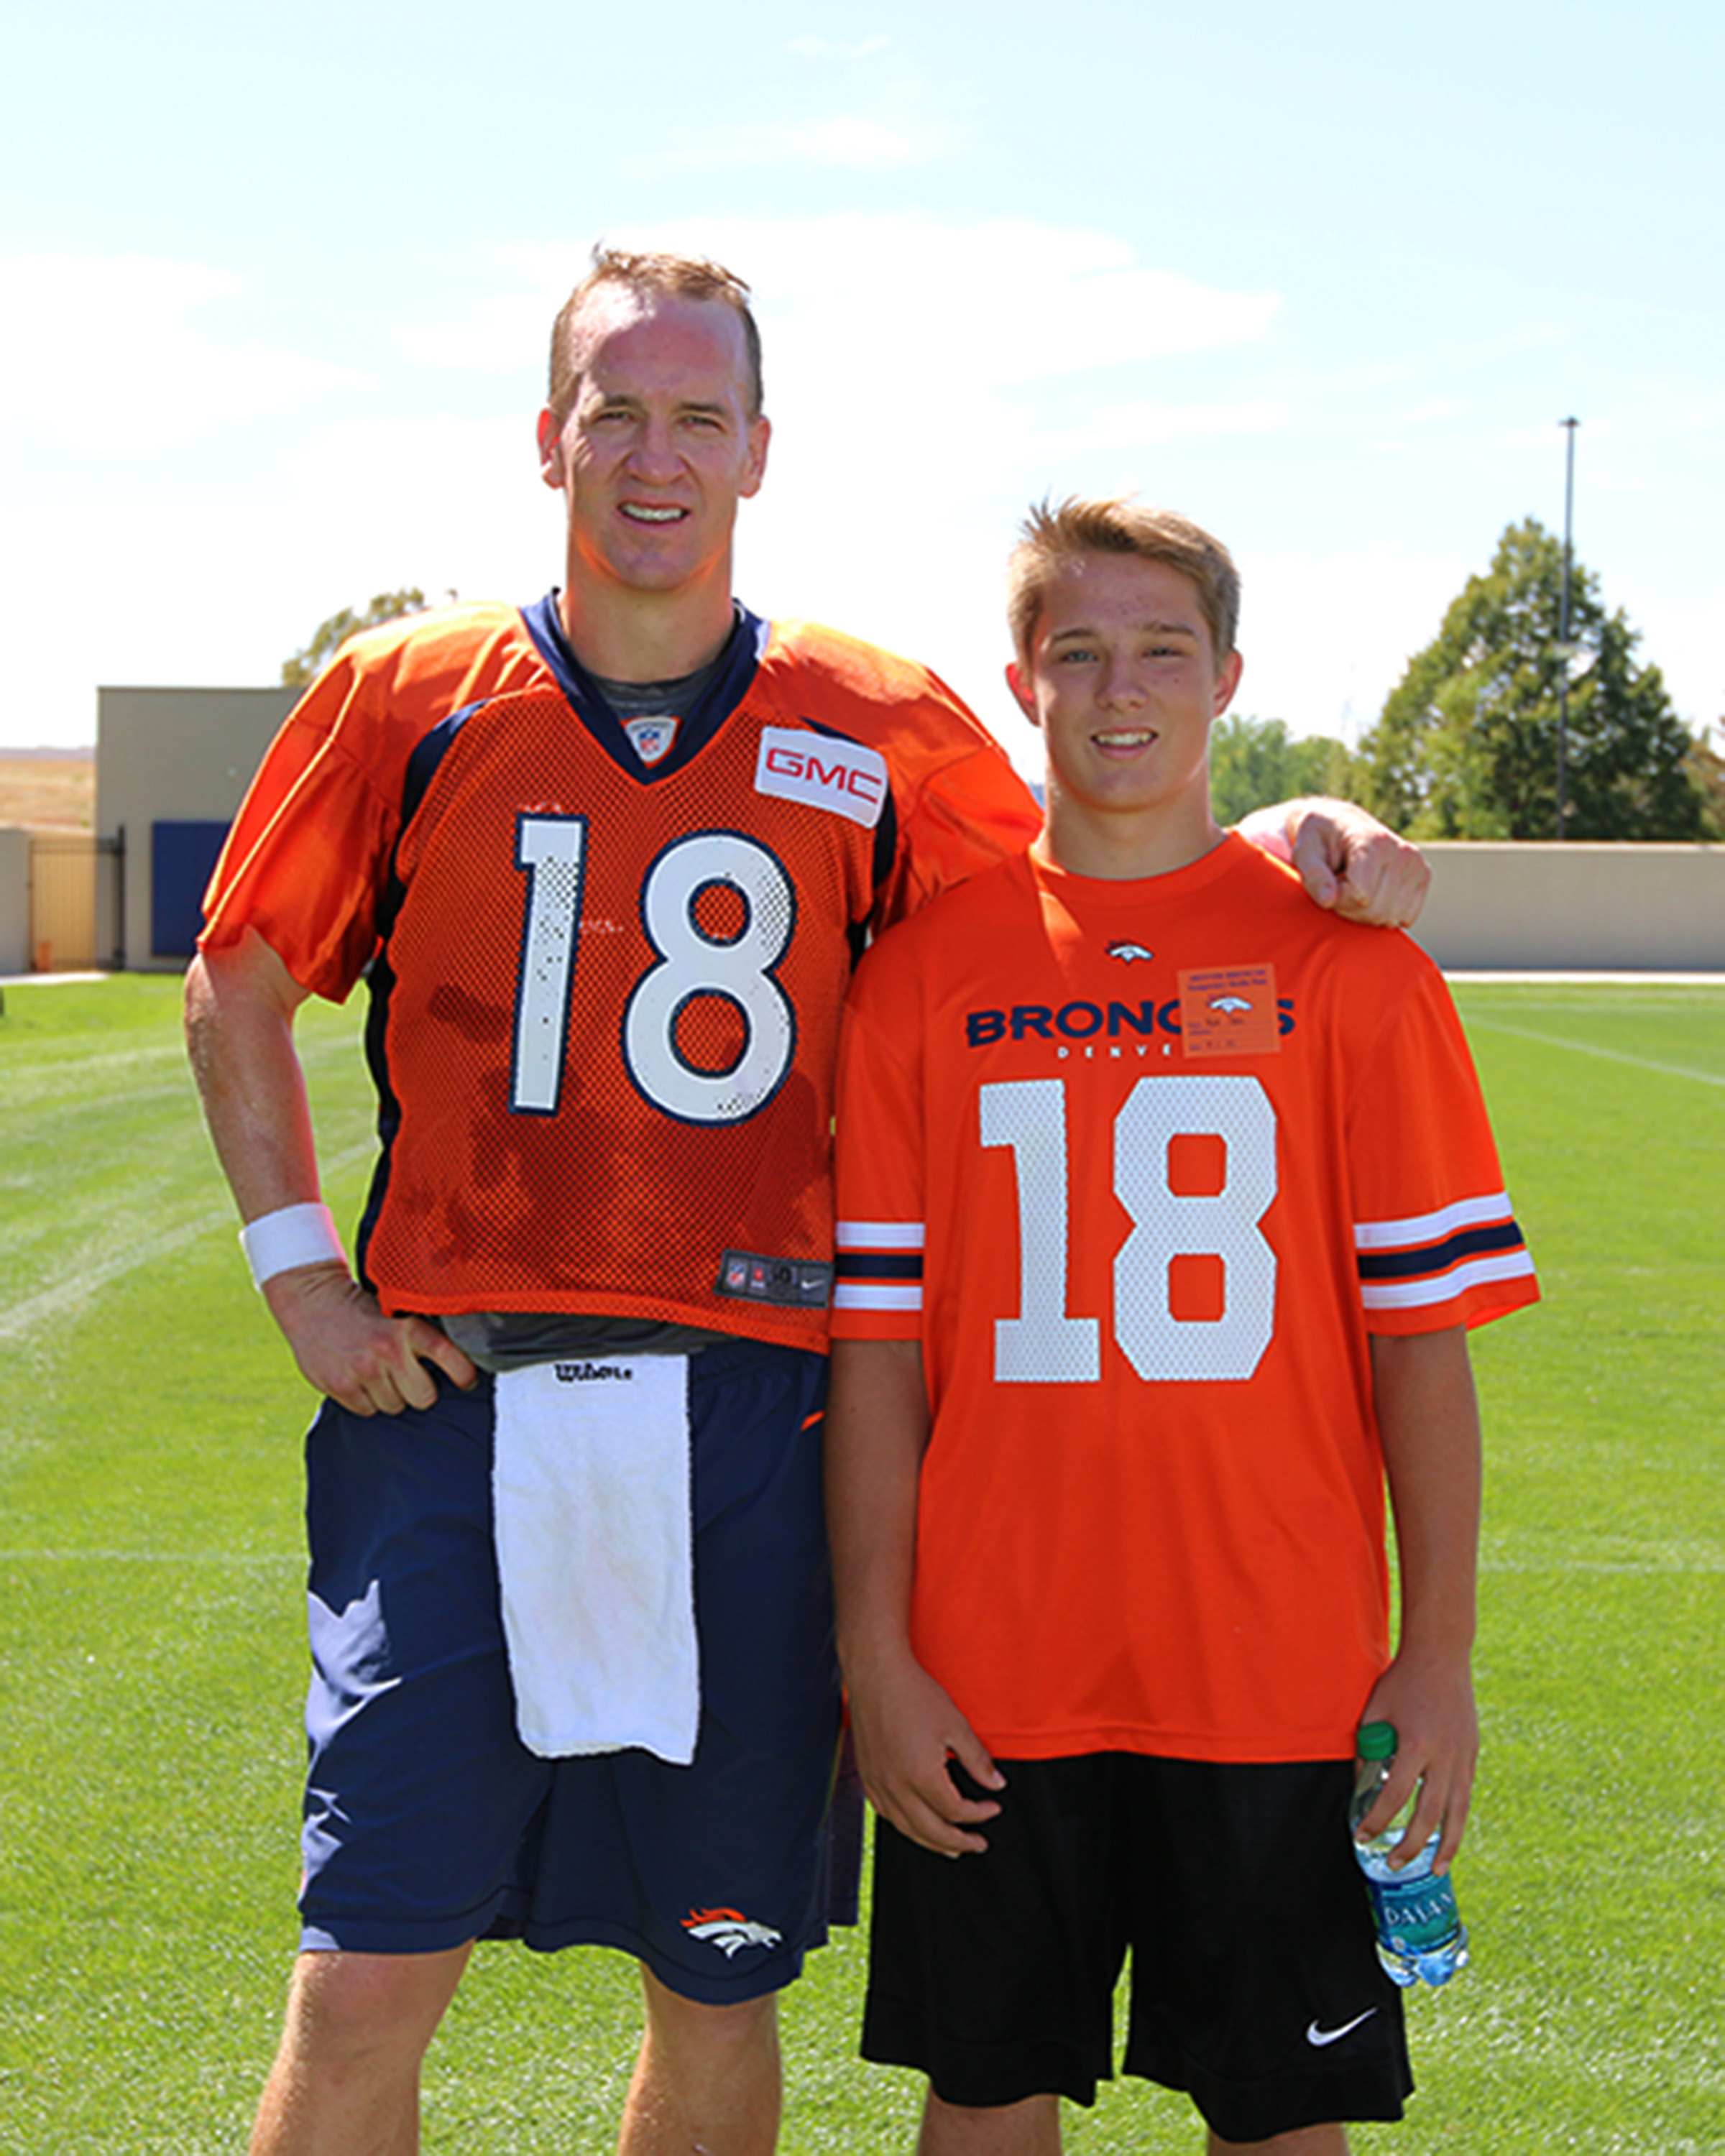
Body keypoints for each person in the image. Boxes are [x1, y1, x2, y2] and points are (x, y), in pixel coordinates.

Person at [184, 253, 1430, 2156]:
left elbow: (1097, 866)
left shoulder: (882, 720)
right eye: (618, 411)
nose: (656, 455)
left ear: (760, 450)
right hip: (457, 1401)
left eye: (700, 417)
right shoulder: (407, 696)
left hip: (756, 1413)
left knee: (720, 1979)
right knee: (361, 1978)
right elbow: (238, 974)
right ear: (550, 441)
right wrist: (299, 1287)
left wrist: (1264, 842)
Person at [824, 496, 1540, 2155]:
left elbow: (1420, 1345)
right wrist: (877, 1652)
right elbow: (881, 1358)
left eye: (1161, 650)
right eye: (1078, 651)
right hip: (992, 1670)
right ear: (1023, 682)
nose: (1118, 687)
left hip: (1279, 1671)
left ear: (1229, 678)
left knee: (1283, 2116)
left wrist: (1435, 1651)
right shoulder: (924, 979)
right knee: (983, 2101)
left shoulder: (1356, 974)